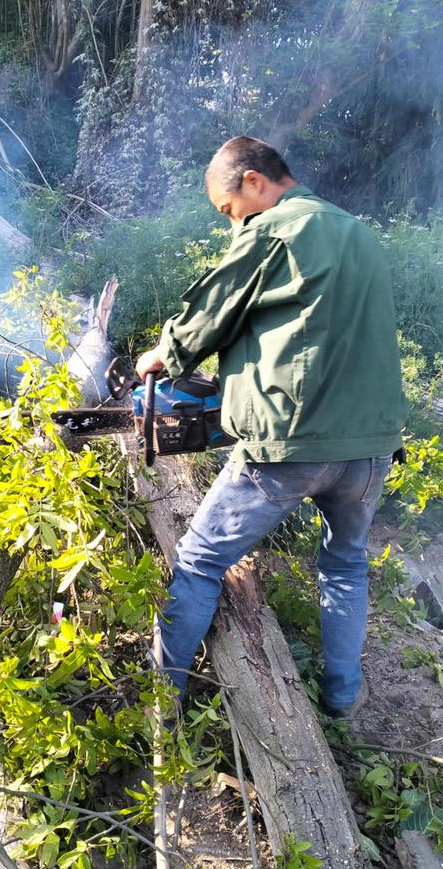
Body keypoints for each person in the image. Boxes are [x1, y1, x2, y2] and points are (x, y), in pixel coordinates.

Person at [135, 136, 407, 717]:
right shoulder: (357, 232)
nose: (232, 223)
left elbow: (210, 314)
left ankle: (161, 705)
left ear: (254, 181)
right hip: (369, 448)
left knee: (200, 559)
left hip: (292, 446)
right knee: (345, 562)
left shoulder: (277, 229)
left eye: (229, 210)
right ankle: (341, 699)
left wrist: (161, 356)